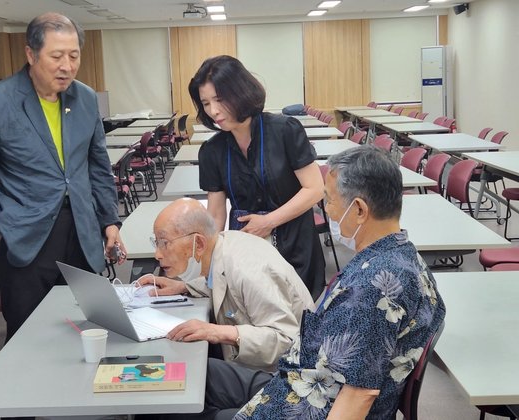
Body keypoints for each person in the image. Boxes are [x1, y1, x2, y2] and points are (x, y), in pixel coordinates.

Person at [220, 146, 445, 419]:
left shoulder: (372, 291)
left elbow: (359, 395)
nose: (325, 209)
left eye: (329, 200)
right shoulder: (403, 255)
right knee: (208, 376)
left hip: (311, 405)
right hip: (306, 380)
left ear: (359, 210)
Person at [0, 13, 126, 342]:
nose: (67, 65)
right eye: (56, 56)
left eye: (74, 55)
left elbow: (97, 165)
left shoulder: (86, 99)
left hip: (83, 232)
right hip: (23, 239)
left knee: (88, 329)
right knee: (28, 339)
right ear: (31, 54)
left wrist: (110, 220)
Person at [188, 55, 325, 298]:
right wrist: (207, 261)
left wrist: (269, 221)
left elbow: (314, 189)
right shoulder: (211, 151)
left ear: (240, 92)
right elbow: (217, 213)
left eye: (219, 100)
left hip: (296, 247)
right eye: (206, 103)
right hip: (248, 251)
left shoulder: (285, 131)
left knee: (300, 320)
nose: (213, 111)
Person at [138, 198, 315, 373]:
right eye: (156, 243)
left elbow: (286, 340)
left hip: (288, 374)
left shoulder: (248, 270)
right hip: (260, 365)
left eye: (164, 243)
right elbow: (222, 281)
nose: (158, 254)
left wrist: (218, 332)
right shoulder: (222, 246)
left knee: (195, 375)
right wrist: (184, 287)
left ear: (198, 244)